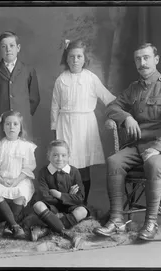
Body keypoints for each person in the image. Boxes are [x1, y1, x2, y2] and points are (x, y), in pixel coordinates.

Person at [92, 43, 161, 240]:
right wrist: (126, 117)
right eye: (138, 59)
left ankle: (150, 223)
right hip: (140, 145)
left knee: (152, 162)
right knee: (114, 161)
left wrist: (159, 148)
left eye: (146, 58)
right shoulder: (133, 89)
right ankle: (117, 220)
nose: (142, 63)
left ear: (156, 60)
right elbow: (111, 107)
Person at [51, 39, 116, 205]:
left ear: (84, 59)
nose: (75, 60)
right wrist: (54, 129)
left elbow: (108, 98)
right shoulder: (61, 79)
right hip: (65, 124)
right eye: (71, 56)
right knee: (66, 166)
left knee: (84, 168)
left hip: (86, 126)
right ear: (66, 58)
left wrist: (120, 112)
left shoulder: (90, 78)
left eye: (79, 56)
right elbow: (54, 106)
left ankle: (82, 204)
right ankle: (67, 204)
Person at [23, 139, 89, 249]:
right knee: (38, 205)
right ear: (48, 156)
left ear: (68, 156)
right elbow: (45, 196)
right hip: (51, 208)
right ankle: (67, 233)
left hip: (70, 208)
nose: (60, 159)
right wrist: (69, 196)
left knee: (83, 211)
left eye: (63, 155)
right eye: (55, 155)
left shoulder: (74, 172)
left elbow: (80, 198)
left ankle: (46, 229)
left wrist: (59, 195)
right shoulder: (43, 172)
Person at [0, 110, 37, 239]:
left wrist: (17, 180)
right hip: (0, 179)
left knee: (21, 190)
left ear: (20, 127)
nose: (11, 127)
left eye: (15, 124)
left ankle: (8, 225)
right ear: (3, 127)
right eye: (8, 124)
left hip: (19, 178)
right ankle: (15, 226)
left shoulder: (26, 146)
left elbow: (28, 168)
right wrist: (1, 180)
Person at [0, 31, 40, 143]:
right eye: (4, 46)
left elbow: (34, 99)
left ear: (18, 48)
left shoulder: (28, 70)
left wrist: (23, 115)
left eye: (12, 46)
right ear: (0, 49)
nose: (8, 49)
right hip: (0, 122)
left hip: (21, 122)